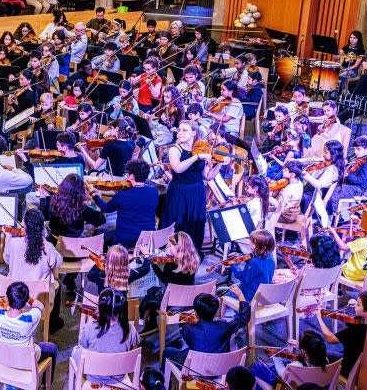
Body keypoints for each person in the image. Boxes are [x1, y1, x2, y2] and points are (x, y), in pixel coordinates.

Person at [160, 120, 218, 255]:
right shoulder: (175, 149)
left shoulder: (200, 148)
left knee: (194, 223)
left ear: (194, 133)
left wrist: (220, 164)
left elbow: (208, 176)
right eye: (179, 130)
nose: (180, 133)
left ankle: (191, 254)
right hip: (179, 192)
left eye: (184, 130)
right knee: (179, 223)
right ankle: (173, 254)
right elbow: (178, 168)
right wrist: (196, 157)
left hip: (197, 192)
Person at [164, 288, 250, 365]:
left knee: (167, 351)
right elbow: (244, 317)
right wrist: (240, 295)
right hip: (220, 367)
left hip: (194, 369)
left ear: (196, 313)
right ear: (215, 311)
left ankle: (163, 380)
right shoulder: (224, 326)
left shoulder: (187, 329)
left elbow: (190, 344)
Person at [0, 282, 57, 385]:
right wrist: (27, 298)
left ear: (7, 299)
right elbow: (39, 305)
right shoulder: (29, 319)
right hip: (25, 361)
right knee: (52, 348)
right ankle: (44, 386)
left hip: (5, 357)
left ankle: (10, 385)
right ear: (24, 302)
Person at [93, 159, 159, 248]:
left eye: (127, 174)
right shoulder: (154, 191)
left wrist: (95, 195)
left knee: (102, 235)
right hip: (147, 240)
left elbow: (106, 208)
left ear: (131, 176)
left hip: (125, 241)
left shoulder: (123, 194)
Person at [317, 290, 367, 377]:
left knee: (318, 353)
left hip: (348, 368)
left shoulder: (356, 330)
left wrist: (320, 319)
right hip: (361, 363)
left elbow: (330, 338)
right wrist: (357, 303)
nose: (356, 305)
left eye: (358, 305)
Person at [215, 229, 275, 300]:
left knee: (219, 291)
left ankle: (236, 308)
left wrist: (232, 267)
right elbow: (254, 258)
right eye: (250, 240)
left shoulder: (254, 262)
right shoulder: (270, 257)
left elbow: (243, 279)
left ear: (263, 247)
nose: (249, 243)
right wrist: (240, 255)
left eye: (253, 243)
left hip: (249, 295)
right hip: (263, 293)